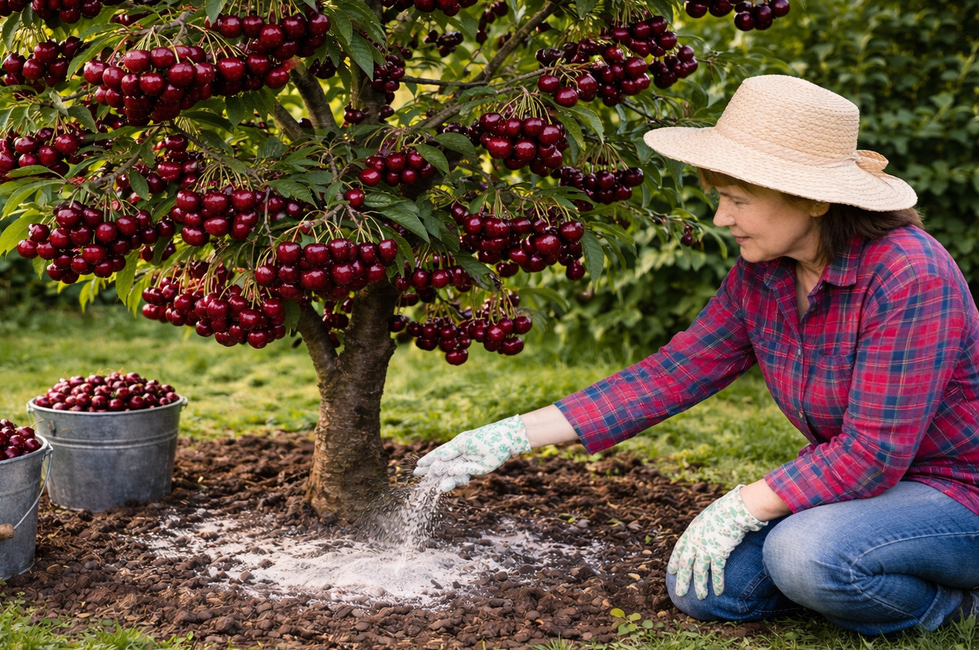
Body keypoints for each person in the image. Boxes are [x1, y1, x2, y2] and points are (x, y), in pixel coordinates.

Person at [414, 74, 979, 635]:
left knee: (806, 555)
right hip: (867, 490)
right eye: (720, 198)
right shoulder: (767, 274)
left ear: (809, 199)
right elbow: (673, 373)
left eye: (737, 200)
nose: (720, 218)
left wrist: (742, 506)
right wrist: (513, 433)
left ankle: (955, 609)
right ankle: (849, 575)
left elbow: (873, 451)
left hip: (957, 491)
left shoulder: (910, 274)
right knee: (705, 590)